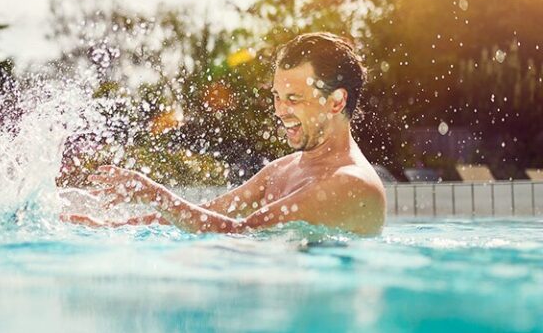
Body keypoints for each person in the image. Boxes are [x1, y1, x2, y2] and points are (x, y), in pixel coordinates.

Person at [64, 32, 386, 236]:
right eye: (276, 96)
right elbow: (210, 215)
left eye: (294, 99)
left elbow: (239, 231)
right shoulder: (283, 169)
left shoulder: (350, 184)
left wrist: (154, 193)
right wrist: (111, 229)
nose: (280, 110)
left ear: (336, 101)